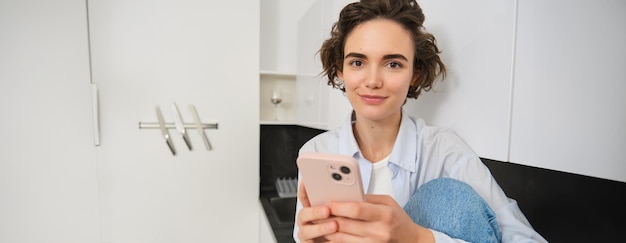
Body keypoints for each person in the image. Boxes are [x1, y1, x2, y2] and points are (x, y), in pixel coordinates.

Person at [293, 0, 548, 242]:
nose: (372, 81)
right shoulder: (317, 153)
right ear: (341, 70)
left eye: (392, 64)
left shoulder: (443, 149)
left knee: (443, 197)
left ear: (414, 74)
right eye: (357, 62)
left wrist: (418, 239)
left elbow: (525, 237)